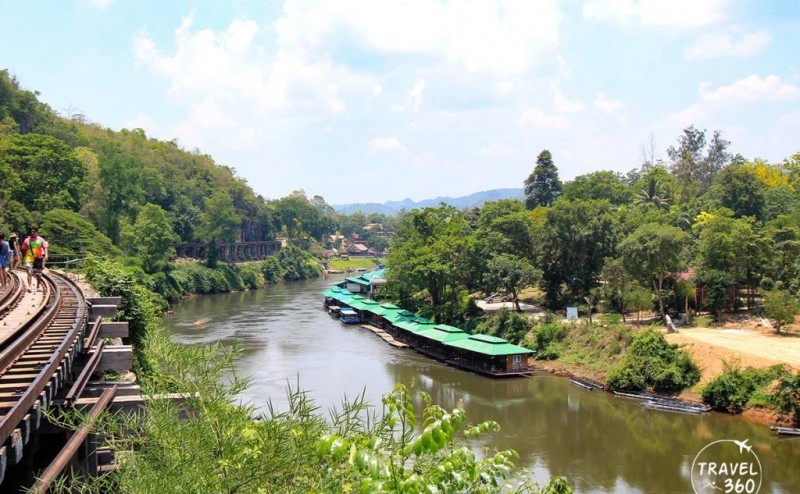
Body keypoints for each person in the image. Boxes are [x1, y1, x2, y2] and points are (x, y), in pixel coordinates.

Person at [21, 228, 46, 292]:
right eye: (31, 232)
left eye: (34, 231)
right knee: (29, 272)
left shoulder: (41, 239)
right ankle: (29, 286)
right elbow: (23, 249)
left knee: (39, 274)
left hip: (38, 258)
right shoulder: (27, 240)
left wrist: (46, 255)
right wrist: (23, 257)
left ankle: (38, 286)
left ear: (36, 232)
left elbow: (45, 247)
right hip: (29, 258)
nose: (32, 233)